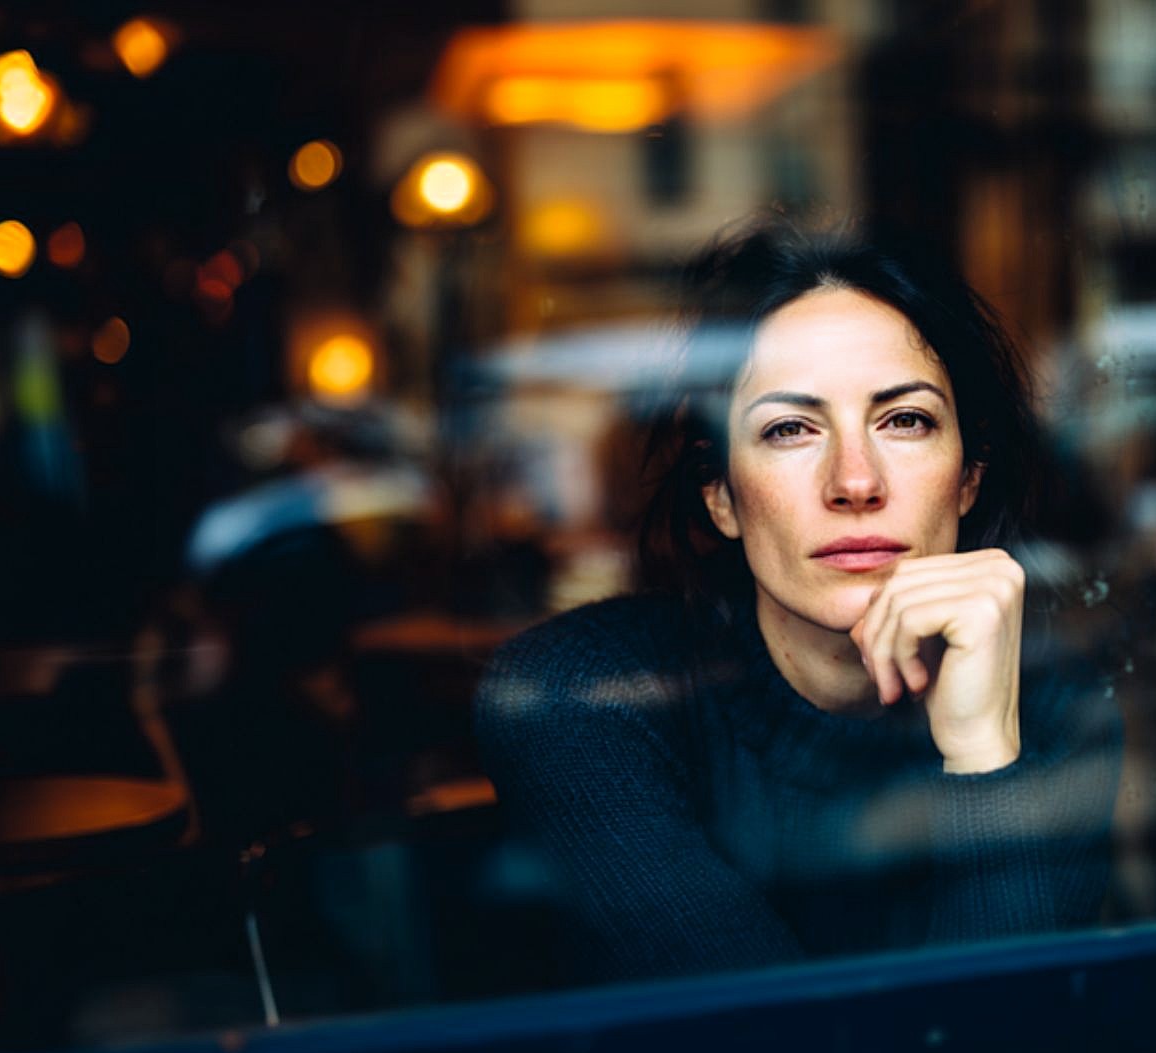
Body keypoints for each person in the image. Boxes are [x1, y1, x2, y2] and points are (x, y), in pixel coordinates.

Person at [474, 221, 1122, 983]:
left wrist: (983, 754)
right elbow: (775, 1042)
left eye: (905, 420)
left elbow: (1011, 1041)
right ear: (720, 494)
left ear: (968, 476)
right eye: (789, 429)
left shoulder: (1054, 707)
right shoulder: (582, 698)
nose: (855, 481)